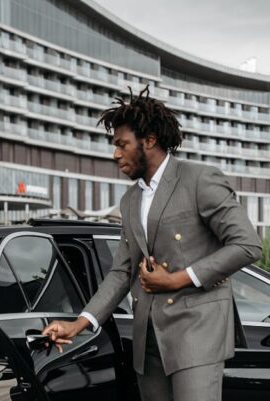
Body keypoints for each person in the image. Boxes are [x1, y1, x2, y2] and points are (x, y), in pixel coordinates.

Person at [43, 87, 262, 401]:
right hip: (148, 340)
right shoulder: (130, 199)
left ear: (149, 140)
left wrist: (178, 278)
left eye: (122, 145)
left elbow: (247, 245)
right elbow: (121, 272)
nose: (115, 154)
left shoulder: (199, 179)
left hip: (196, 331)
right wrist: (79, 324)